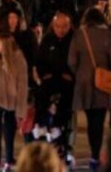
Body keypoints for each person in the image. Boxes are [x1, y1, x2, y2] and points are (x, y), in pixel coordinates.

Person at [69, 7, 111, 171]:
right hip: (102, 83)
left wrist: (79, 73)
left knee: (91, 120)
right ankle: (95, 155)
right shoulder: (108, 35)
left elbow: (71, 60)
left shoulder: (79, 35)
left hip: (84, 82)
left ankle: (94, 154)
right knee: (98, 120)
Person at [0, 32, 29, 169]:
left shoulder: (18, 59)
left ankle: (8, 160)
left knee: (9, 133)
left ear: (6, 45)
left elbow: (22, 85)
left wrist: (21, 110)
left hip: (11, 102)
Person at [33, 11, 75, 157]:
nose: (61, 30)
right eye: (58, 26)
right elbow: (39, 59)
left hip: (67, 81)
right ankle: (42, 125)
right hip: (49, 80)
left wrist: (70, 74)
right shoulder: (47, 39)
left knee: (65, 108)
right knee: (41, 98)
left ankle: (63, 140)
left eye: (64, 26)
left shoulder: (73, 39)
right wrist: (45, 74)